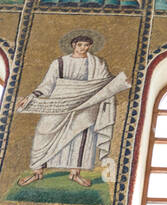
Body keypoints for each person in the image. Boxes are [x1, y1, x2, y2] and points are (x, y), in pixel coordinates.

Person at [15, 34, 129, 189]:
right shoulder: (60, 63)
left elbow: (104, 83)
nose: (83, 48)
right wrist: (31, 97)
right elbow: (48, 84)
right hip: (60, 102)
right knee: (44, 132)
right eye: (80, 45)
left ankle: (75, 173)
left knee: (82, 136)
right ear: (73, 45)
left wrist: (119, 83)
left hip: (86, 103)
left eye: (86, 45)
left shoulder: (97, 63)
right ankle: (37, 171)